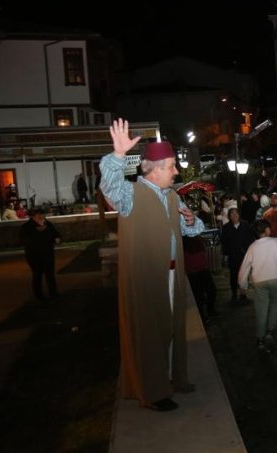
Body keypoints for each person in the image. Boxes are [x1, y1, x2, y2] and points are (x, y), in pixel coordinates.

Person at [100, 119, 204, 412]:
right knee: (150, 332)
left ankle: (174, 379)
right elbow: (110, 187)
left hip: (172, 275)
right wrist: (118, 156)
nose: (176, 171)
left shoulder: (170, 195)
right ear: (155, 169)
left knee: (172, 328)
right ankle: (154, 392)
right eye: (172, 166)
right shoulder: (130, 194)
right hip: (148, 278)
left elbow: (192, 231)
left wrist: (192, 221)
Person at [238, 220, 277, 353]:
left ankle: (260, 338)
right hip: (276, 278)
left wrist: (243, 284)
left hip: (259, 280)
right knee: (275, 305)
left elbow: (245, 267)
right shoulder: (276, 242)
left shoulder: (252, 247)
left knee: (261, 309)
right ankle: (270, 332)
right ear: (266, 230)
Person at [19, 208, 61, 301]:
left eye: (43, 216)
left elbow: (56, 234)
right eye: (39, 217)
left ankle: (53, 293)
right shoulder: (26, 227)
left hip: (48, 254)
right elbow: (25, 240)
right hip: (35, 256)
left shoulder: (48, 224)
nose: (42, 218)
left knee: (50, 275)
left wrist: (57, 239)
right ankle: (39, 295)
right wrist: (39, 234)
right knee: (37, 275)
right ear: (33, 217)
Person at [221, 207, 254, 304]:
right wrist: (226, 255)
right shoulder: (226, 227)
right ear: (229, 216)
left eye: (236, 213)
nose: (234, 215)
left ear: (239, 214)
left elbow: (250, 238)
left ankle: (243, 294)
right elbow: (224, 242)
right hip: (232, 255)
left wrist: (250, 251)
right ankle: (234, 294)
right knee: (233, 275)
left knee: (244, 274)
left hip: (244, 254)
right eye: (232, 214)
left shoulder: (245, 225)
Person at [182, 235, 219, 324]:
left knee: (211, 290)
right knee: (197, 296)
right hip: (192, 273)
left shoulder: (198, 239)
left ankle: (211, 310)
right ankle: (202, 316)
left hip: (203, 269)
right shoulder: (183, 241)